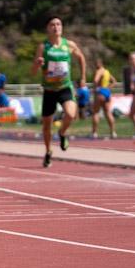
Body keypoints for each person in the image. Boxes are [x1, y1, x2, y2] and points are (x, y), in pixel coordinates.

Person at [31, 15, 86, 167]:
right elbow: (33, 72)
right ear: (48, 29)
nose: (56, 27)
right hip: (49, 90)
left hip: (65, 87)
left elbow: (81, 57)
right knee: (46, 125)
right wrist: (38, 63)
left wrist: (82, 77)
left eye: (58, 24)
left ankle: (62, 133)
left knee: (71, 114)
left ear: (62, 28)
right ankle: (48, 151)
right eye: (52, 24)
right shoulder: (43, 47)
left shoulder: (69, 45)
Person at [91, 58, 117, 139]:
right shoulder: (107, 71)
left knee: (96, 112)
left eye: (96, 64)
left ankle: (94, 133)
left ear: (99, 64)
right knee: (108, 113)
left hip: (100, 92)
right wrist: (108, 88)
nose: (95, 65)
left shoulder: (99, 71)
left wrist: (96, 89)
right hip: (107, 92)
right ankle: (113, 132)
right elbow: (114, 82)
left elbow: (95, 80)